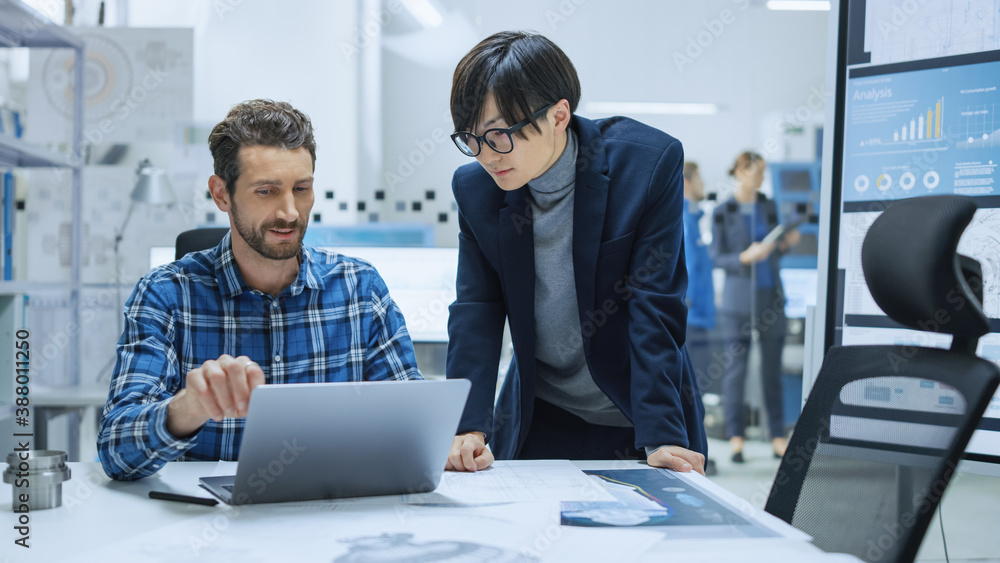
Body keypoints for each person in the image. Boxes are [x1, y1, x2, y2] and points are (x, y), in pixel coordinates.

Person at [98, 99, 421, 480]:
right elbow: (116, 451)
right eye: (267, 191)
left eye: (301, 188)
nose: (290, 212)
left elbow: (414, 426)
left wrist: (455, 439)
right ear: (221, 194)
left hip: (330, 516)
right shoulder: (166, 294)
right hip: (210, 524)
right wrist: (189, 407)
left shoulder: (360, 289)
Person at [444, 31, 707, 474]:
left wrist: (662, 434)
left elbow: (653, 307)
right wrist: (467, 426)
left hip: (637, 413)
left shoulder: (645, 165)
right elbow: (477, 308)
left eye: (499, 136)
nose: (486, 156)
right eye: (471, 139)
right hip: (542, 413)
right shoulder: (476, 190)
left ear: (559, 115)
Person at [709, 151, 798, 463]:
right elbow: (715, 257)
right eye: (757, 173)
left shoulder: (769, 205)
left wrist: (784, 245)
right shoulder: (722, 210)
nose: (762, 179)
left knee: (772, 371)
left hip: (770, 298)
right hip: (737, 304)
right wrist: (744, 258)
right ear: (741, 171)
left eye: (763, 173)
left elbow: (775, 252)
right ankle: (736, 438)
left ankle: (777, 436)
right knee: (736, 371)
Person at [682, 161, 718, 476]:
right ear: (688, 181)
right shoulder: (682, 217)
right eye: (701, 177)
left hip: (700, 316)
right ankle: (695, 452)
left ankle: (697, 451)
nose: (704, 183)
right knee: (693, 392)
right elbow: (688, 270)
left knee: (697, 391)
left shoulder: (693, 217)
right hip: (692, 319)